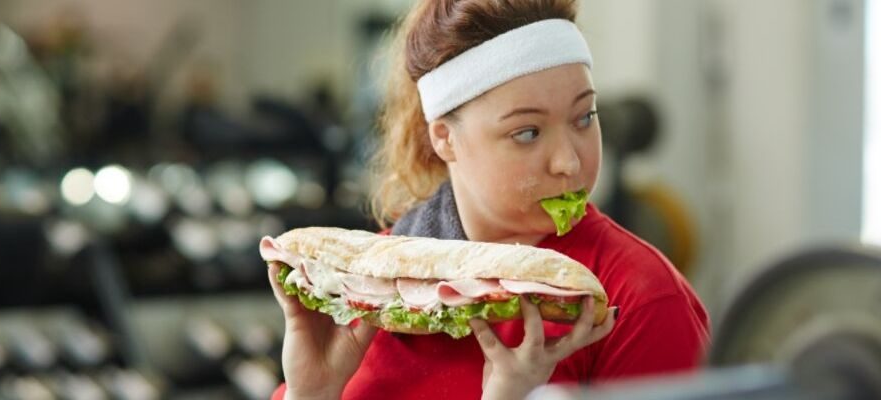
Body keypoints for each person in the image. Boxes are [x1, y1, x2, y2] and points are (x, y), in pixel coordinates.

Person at [268, 1, 709, 399]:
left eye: (584, 117)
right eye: (527, 132)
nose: (569, 162)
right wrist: (311, 394)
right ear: (444, 137)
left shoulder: (635, 300)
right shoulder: (367, 290)